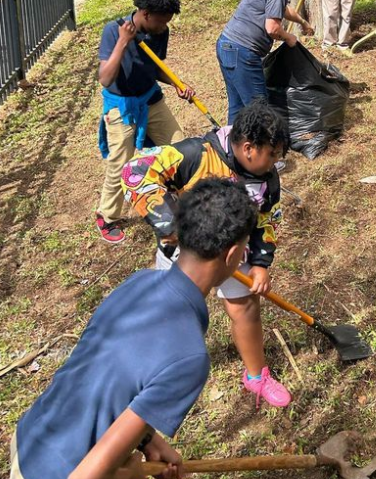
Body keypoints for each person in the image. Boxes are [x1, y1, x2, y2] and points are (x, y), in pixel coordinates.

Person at [11, 178, 257, 479]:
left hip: (29, 436)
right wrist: (130, 474)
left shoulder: (139, 283)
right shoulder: (190, 357)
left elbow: (107, 376)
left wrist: (146, 439)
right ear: (231, 255)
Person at [121, 99, 292, 409]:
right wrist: (171, 224)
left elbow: (266, 220)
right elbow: (135, 171)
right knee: (170, 312)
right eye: (273, 154)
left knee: (245, 308)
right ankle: (155, 375)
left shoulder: (267, 180)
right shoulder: (195, 154)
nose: (275, 162)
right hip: (185, 254)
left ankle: (256, 376)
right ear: (250, 147)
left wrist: (261, 263)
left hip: (235, 255)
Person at [96, 0, 195, 244]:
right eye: (161, 21)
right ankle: (107, 215)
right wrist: (123, 42)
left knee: (179, 145)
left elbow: (155, 66)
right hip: (122, 105)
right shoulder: (112, 30)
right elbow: (105, 78)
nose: (164, 27)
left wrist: (177, 83)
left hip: (151, 98)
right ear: (144, 13)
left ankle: (180, 199)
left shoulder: (161, 31)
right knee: (121, 162)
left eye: (167, 22)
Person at [217, 0, 314, 124]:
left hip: (226, 44)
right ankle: (261, 149)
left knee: (237, 107)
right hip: (243, 52)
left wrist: (302, 22)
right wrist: (289, 37)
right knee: (259, 109)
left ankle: (232, 148)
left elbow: (283, 10)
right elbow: (272, 28)